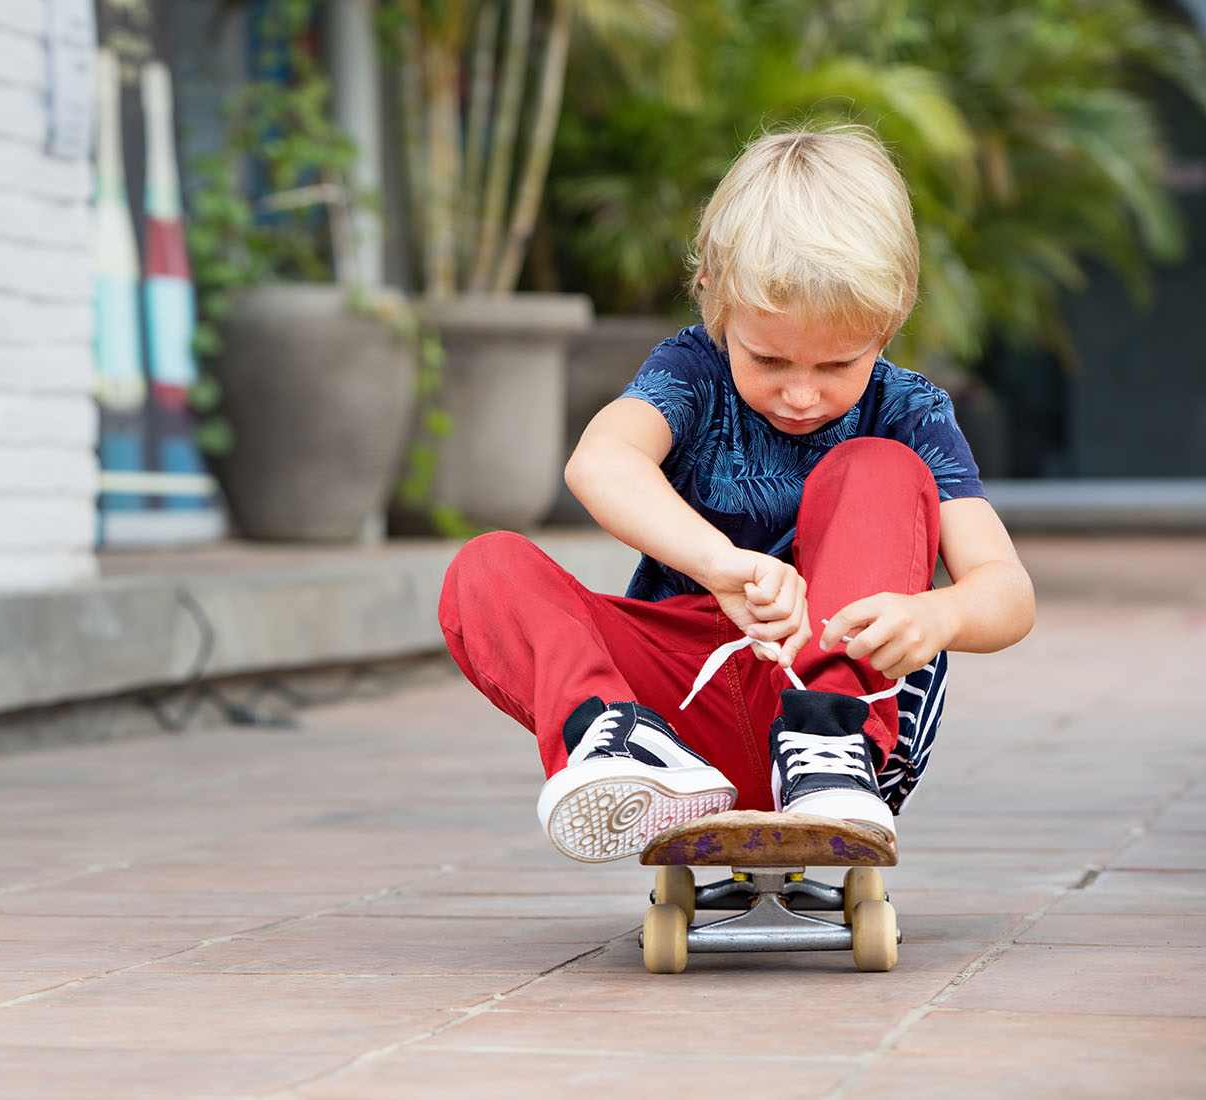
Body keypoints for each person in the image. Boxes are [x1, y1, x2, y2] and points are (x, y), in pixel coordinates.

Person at [437, 127, 1036, 863]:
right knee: (486, 568)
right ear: (714, 299)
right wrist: (719, 565)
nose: (803, 391)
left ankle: (825, 744)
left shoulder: (908, 411)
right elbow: (600, 461)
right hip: (683, 700)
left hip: (838, 699)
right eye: (770, 357)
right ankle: (625, 744)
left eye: (839, 363)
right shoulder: (692, 370)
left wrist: (937, 614)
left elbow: (1007, 590)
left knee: (876, 465)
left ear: (892, 319)